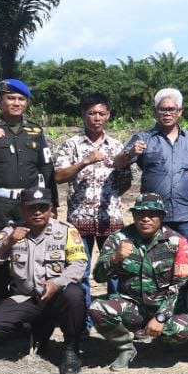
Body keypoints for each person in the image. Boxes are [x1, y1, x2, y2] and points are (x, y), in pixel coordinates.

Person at [0, 78, 57, 318]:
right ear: (1, 101)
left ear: (26, 103)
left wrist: (53, 205)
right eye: (10, 98)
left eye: (21, 99)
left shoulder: (35, 130)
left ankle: (21, 317)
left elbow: (46, 169)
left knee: (28, 261)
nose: (16, 103)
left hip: (28, 205)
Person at [0, 187, 87, 374]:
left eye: (42, 207)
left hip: (56, 295)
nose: (37, 212)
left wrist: (57, 283)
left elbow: (79, 264)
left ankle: (71, 349)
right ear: (22, 209)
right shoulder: (12, 231)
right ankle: (36, 329)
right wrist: (7, 243)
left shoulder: (66, 231)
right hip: (26, 297)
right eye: (31, 208)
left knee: (75, 294)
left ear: (51, 209)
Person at [90, 194, 188, 371]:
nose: (145, 218)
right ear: (133, 216)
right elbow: (99, 277)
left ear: (162, 217)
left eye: (152, 214)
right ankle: (125, 348)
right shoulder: (118, 239)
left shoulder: (177, 242)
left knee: (182, 329)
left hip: (165, 307)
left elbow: (181, 285)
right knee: (97, 308)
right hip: (133, 307)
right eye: (140, 214)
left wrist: (161, 317)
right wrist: (114, 258)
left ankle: (165, 343)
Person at [54, 93, 130, 328]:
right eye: (92, 113)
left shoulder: (117, 146)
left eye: (101, 113)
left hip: (111, 219)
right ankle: (83, 323)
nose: (97, 117)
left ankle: (115, 322)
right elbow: (58, 176)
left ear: (107, 116)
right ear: (83, 115)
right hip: (79, 220)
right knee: (80, 272)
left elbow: (126, 183)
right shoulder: (71, 145)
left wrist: (121, 168)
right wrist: (85, 162)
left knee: (115, 271)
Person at [115, 88, 188, 256]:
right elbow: (117, 163)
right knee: (155, 261)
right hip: (153, 216)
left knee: (187, 261)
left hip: (185, 215)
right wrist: (130, 153)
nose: (167, 113)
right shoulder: (143, 138)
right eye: (163, 109)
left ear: (180, 112)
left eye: (171, 109)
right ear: (155, 112)